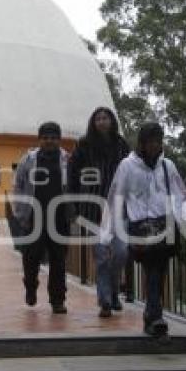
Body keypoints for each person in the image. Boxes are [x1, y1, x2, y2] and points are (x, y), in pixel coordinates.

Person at [102, 122, 186, 338]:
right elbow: (115, 197)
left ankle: (151, 317)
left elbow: (179, 195)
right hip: (141, 229)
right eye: (150, 141)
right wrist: (108, 232)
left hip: (165, 226)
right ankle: (156, 317)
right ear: (142, 143)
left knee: (159, 270)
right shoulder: (127, 166)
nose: (155, 145)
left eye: (158, 140)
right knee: (153, 269)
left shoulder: (168, 166)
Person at [68, 107, 130, 318]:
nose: (102, 122)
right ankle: (105, 300)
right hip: (93, 208)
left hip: (118, 207)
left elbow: (130, 172)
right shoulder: (84, 145)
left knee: (121, 252)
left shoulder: (121, 145)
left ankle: (113, 290)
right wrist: (73, 205)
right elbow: (73, 174)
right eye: (98, 118)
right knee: (102, 256)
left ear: (112, 121)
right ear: (93, 122)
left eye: (106, 118)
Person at [11, 122, 70, 314]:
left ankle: (57, 300)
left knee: (59, 261)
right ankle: (30, 286)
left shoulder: (67, 160)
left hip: (59, 218)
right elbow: (18, 186)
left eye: (53, 137)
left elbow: (74, 185)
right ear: (39, 139)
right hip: (34, 217)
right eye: (46, 137)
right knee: (31, 257)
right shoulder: (28, 160)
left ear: (58, 140)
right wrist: (20, 213)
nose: (49, 141)